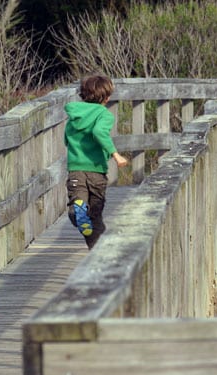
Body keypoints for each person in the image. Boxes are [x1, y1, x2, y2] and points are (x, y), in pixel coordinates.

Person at [64, 74, 128, 249]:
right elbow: (99, 133)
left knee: (78, 207)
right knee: (95, 216)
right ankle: (98, 252)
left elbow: (67, 138)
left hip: (76, 170)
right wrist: (115, 154)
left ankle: (77, 210)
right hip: (96, 171)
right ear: (106, 98)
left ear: (83, 95)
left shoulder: (74, 114)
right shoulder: (104, 115)